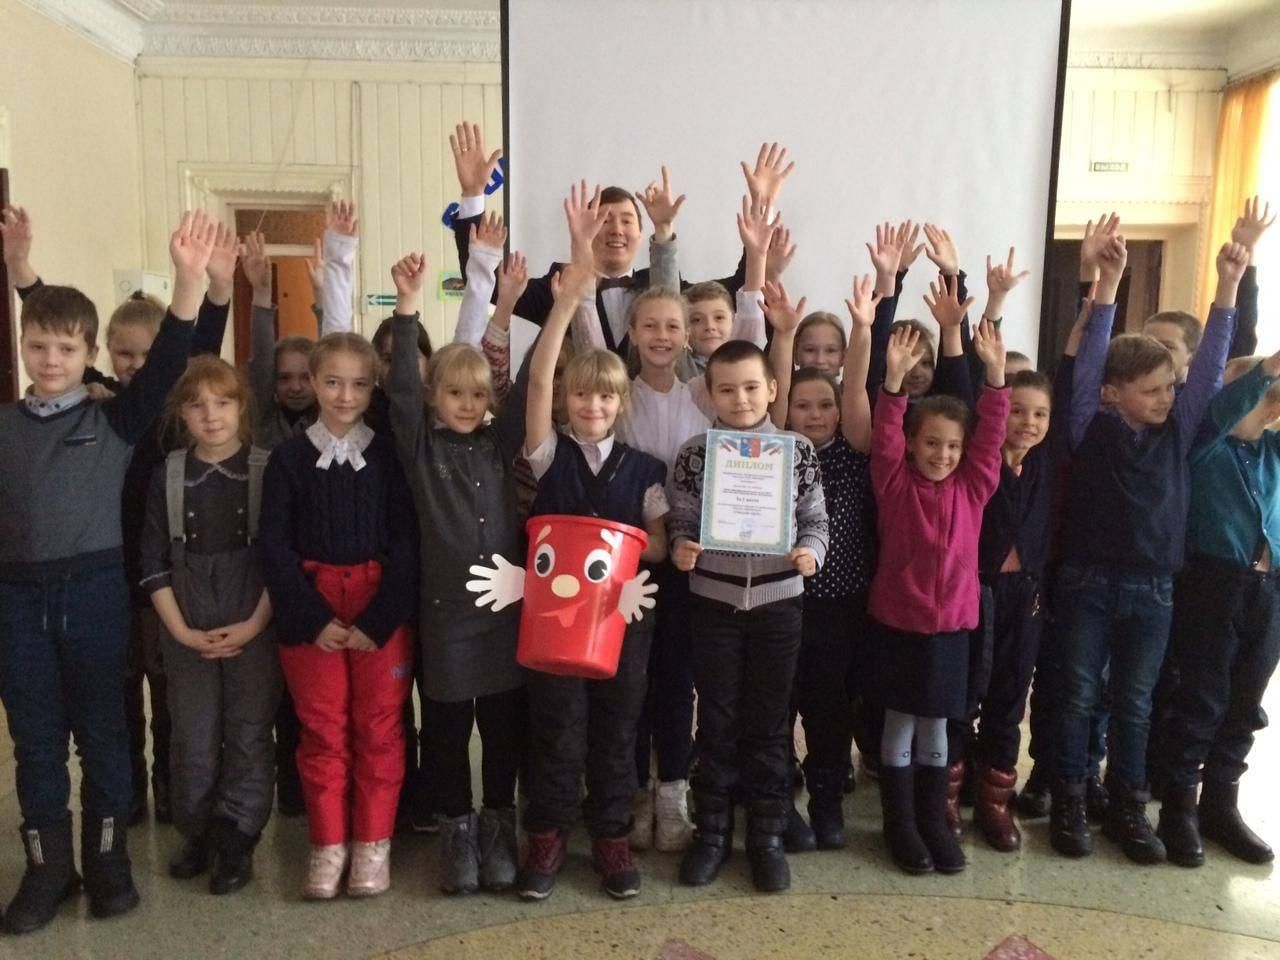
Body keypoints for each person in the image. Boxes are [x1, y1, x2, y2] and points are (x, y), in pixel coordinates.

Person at [0, 208, 218, 934]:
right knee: (36, 743)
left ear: (87, 353)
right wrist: (20, 268)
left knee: (103, 736)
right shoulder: (5, 429)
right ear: (22, 347)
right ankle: (47, 868)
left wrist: (189, 281)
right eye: (38, 346)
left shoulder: (114, 419)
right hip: (19, 603)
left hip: (95, 595)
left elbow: (169, 359)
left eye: (67, 348)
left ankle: (107, 860)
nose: (51, 359)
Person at [1049, 231, 1247, 864]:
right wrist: (1107, 284)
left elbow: (1209, 370)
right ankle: (1070, 800)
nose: (1169, 396)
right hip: (1087, 583)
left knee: (1135, 703)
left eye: (1170, 386)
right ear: (1113, 392)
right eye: (1155, 388)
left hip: (1154, 589)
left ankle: (1128, 807)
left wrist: (1228, 285)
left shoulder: (1179, 433)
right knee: (1079, 695)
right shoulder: (1090, 423)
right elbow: (1089, 364)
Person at [493, 188, 667, 902]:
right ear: (566, 402)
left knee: (618, 731)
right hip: (557, 621)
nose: (591, 406)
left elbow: (659, 544)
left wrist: (635, 557)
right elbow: (538, 376)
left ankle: (612, 838)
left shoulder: (645, 472)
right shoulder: (546, 457)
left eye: (604, 397)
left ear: (621, 404)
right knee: (557, 731)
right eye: (580, 397)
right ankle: (548, 834)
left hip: (623, 622)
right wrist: (567, 298)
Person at [384, 251, 527, 894]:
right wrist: (407, 304)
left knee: (501, 729)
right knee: (445, 731)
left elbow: (531, 387)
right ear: (432, 396)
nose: (467, 404)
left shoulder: (498, 444)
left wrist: (519, 306)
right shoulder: (419, 448)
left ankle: (498, 826)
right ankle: (457, 831)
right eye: (453, 393)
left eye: (477, 394)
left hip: (504, 617)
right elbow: (400, 392)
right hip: (445, 618)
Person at [259, 333, 418, 899]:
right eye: (331, 382)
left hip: (378, 610)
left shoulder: (391, 457)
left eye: (358, 384)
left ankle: (373, 841)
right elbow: (273, 547)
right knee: (322, 728)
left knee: (379, 726)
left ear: (373, 387)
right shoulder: (288, 460)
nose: (345, 396)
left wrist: (380, 621)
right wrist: (309, 618)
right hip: (313, 608)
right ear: (313, 382)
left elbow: (407, 543)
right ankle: (328, 844)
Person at [669, 338, 829, 894]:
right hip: (713, 602)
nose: (740, 399)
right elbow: (681, 521)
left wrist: (812, 553)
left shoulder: (796, 451)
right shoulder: (695, 454)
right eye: (727, 389)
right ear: (709, 394)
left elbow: (815, 520)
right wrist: (681, 547)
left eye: (751, 387)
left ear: (772, 389)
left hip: (778, 603)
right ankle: (712, 834)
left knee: (770, 722)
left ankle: (766, 836)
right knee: (716, 721)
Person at [868, 300, 1010, 877]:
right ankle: (899, 825)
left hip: (952, 630)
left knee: (938, 728)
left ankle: (933, 820)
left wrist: (995, 377)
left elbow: (990, 438)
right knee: (900, 723)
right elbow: (884, 436)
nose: (942, 455)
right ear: (912, 444)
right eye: (931, 444)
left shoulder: (973, 486)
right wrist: (893, 382)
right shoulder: (893, 482)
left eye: (952, 447)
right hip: (897, 626)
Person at [140, 357, 280, 896]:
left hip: (254, 620)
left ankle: (237, 835)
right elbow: (153, 562)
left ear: (242, 407)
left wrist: (253, 625)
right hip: (186, 626)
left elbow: (281, 560)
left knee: (248, 731)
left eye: (223, 402)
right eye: (197, 405)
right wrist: (180, 632)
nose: (211, 415)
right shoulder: (168, 475)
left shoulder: (268, 469)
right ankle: (198, 832)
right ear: (182, 413)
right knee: (193, 737)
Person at [767, 274, 881, 850]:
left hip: (840, 603)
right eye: (802, 405)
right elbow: (776, 388)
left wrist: (862, 327)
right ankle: (779, 803)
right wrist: (784, 336)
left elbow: (856, 386)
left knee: (830, 708)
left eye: (824, 406)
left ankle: (828, 800)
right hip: (781, 601)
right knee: (778, 704)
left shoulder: (855, 451)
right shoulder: (774, 450)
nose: (814, 415)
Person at [1154, 347, 1280, 868]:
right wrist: (1265, 372)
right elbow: (1224, 411)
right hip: (1213, 585)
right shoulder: (1204, 447)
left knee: (1245, 702)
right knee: (1202, 699)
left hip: (1267, 590)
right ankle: (1179, 808)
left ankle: (1221, 805)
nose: (1225, 400)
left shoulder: (1271, 452)